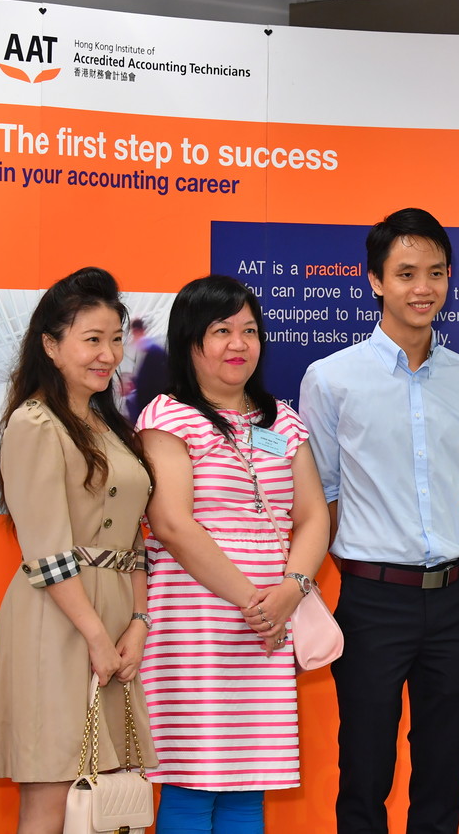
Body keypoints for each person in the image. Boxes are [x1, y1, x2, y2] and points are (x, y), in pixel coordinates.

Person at [299, 207, 459, 834]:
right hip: (373, 600)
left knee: (444, 771)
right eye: (406, 273)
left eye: (436, 272)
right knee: (365, 771)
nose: (422, 288)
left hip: (458, 598)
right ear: (376, 281)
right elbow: (322, 495)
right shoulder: (331, 379)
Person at [0, 267, 158, 833]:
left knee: (105, 801)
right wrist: (97, 636)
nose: (108, 354)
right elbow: (46, 552)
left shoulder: (107, 424)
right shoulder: (34, 424)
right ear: (51, 345)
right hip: (58, 623)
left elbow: (133, 539)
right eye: (92, 339)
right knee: (52, 797)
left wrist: (138, 622)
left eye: (115, 339)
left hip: (114, 624)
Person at [137, 275, 328, 833]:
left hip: (267, 624)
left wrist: (290, 591)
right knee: (192, 784)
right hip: (196, 623)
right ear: (190, 341)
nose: (238, 344)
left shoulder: (281, 420)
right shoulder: (167, 416)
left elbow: (314, 516)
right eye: (221, 331)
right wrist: (254, 602)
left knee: (249, 785)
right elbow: (172, 524)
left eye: (249, 330)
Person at [125, 317, 169, 424]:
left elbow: (152, 380)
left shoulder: (153, 351)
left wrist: (134, 382)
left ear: (137, 331)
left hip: (153, 404)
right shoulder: (150, 351)